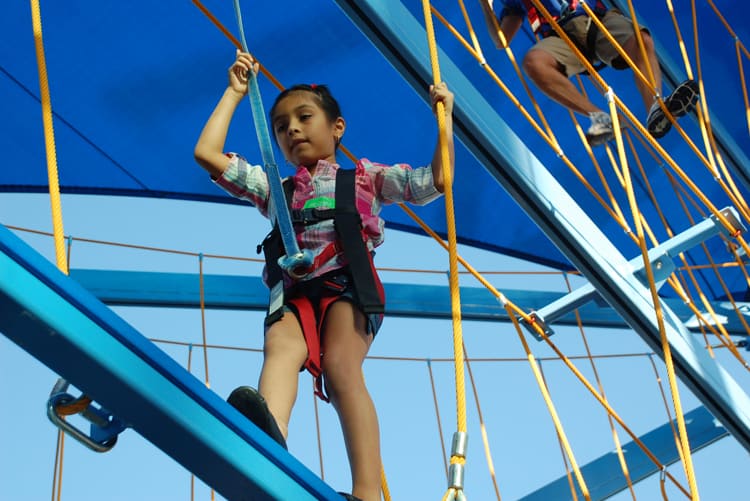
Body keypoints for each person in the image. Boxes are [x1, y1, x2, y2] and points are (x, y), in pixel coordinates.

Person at [194, 50, 455, 501]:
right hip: (294, 290)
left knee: (339, 368)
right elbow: (207, 154)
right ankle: (267, 439)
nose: (292, 129)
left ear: (337, 127)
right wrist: (235, 92)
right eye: (281, 125)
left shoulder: (367, 178)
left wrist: (445, 119)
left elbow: (437, 179)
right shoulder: (275, 187)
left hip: (346, 284)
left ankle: (367, 492)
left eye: (304, 117)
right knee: (279, 348)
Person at [479, 0, 699, 146]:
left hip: (594, 17)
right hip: (560, 35)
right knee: (534, 62)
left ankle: (655, 106)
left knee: (640, 40)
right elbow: (501, 39)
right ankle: (602, 118)